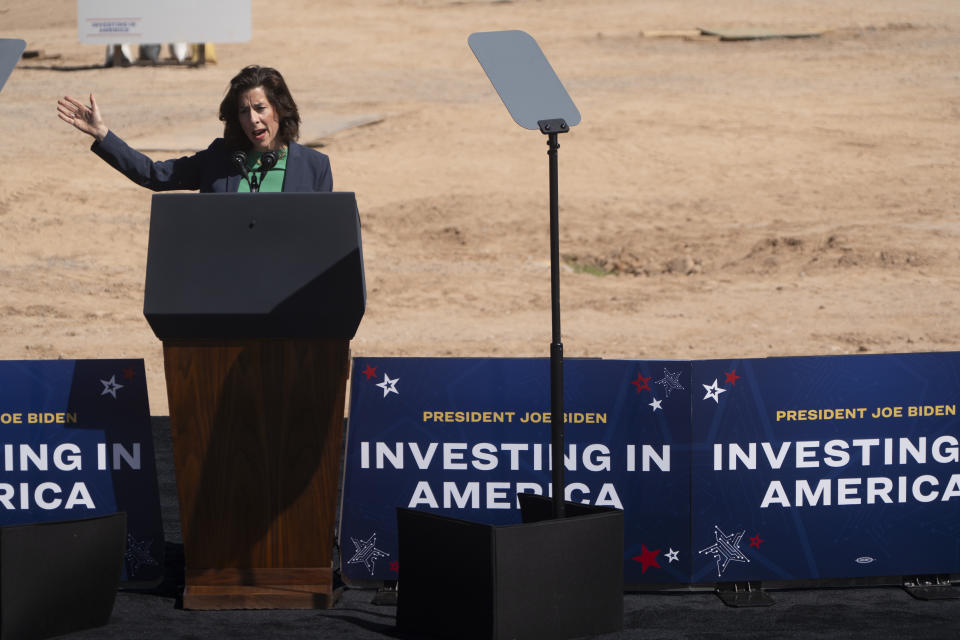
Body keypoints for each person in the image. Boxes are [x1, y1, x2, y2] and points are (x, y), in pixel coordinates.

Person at [56, 65, 332, 193]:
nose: (253, 120)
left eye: (260, 108)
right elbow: (154, 176)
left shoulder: (315, 168)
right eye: (243, 111)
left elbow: (323, 238)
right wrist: (104, 135)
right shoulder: (220, 158)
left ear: (279, 109)